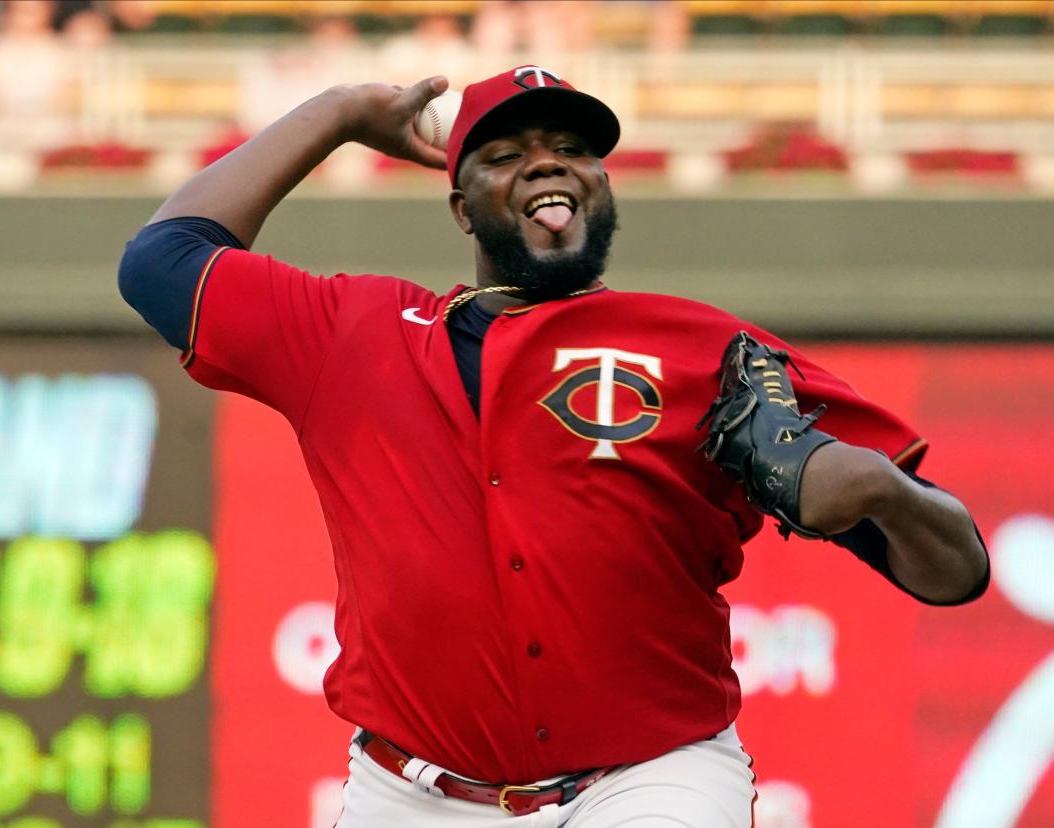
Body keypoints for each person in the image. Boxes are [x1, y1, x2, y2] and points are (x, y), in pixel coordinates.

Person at [118, 65, 989, 827]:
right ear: (461, 207)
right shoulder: (353, 332)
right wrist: (342, 113)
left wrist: (883, 492)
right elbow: (160, 262)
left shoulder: (704, 346)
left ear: (602, 187)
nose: (546, 161)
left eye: (573, 148)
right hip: (408, 794)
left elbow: (956, 572)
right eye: (504, 154)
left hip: (651, 780)